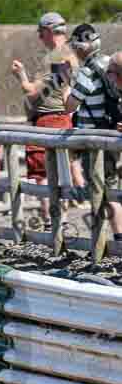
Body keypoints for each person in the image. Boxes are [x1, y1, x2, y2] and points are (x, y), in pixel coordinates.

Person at [11, 13, 78, 230]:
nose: (39, 36)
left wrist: (20, 75)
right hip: (61, 118)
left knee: (43, 172)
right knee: (61, 172)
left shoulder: (57, 57)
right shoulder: (68, 54)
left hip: (50, 119)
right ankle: (60, 220)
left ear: (48, 31)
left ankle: (54, 220)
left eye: (40, 32)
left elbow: (31, 92)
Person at [63, 24, 122, 240]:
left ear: (79, 48)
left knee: (99, 191)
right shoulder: (108, 62)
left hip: (92, 138)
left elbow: (69, 106)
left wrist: (65, 84)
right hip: (110, 132)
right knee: (110, 187)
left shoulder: (86, 72)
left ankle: (104, 242)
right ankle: (117, 238)